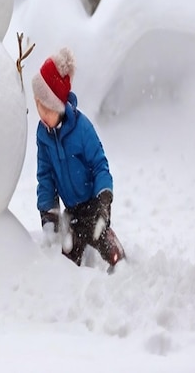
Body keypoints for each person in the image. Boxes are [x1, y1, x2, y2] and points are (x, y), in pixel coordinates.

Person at [32, 47, 124, 271]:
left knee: (107, 246)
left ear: (59, 107)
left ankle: (120, 263)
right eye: (38, 106)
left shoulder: (82, 129)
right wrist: (49, 213)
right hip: (71, 213)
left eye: (47, 109)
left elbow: (100, 165)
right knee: (67, 260)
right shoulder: (43, 134)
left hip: (93, 206)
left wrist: (103, 201)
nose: (42, 114)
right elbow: (45, 175)